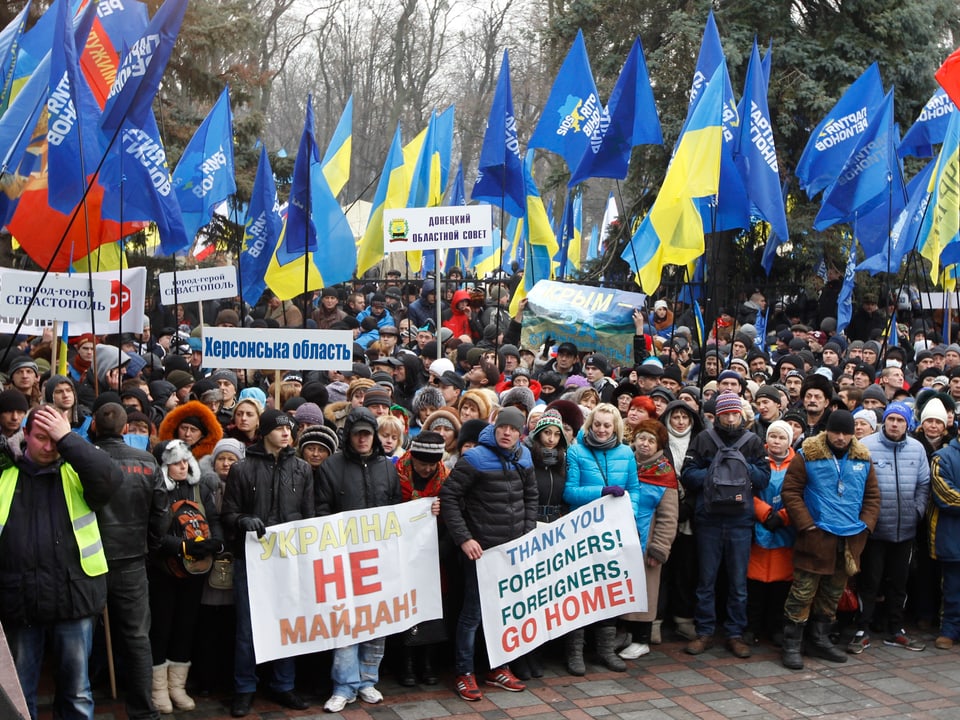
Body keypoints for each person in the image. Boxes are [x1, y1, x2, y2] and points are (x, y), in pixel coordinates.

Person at [0, 406, 121, 720]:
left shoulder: (75, 470)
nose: (49, 446)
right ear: (24, 436)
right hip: (19, 601)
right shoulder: (5, 474)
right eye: (41, 438)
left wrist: (68, 437)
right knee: (18, 696)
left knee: (77, 693)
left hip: (73, 600)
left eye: (55, 439)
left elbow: (110, 477)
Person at [440, 407, 537, 701]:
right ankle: (464, 673)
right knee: (472, 614)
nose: (507, 433)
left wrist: (527, 532)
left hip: (511, 552)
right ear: (495, 429)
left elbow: (530, 495)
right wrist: (464, 539)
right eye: (502, 427)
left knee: (504, 613)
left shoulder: (525, 457)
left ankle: (498, 667)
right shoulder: (475, 459)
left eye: (513, 429)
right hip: (481, 553)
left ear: (521, 434)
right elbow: (449, 497)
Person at [221, 409, 314, 717]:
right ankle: (244, 688)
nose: (287, 433)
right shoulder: (242, 469)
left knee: (288, 625)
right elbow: (228, 513)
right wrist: (243, 519)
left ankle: (283, 684)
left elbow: (309, 516)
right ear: (265, 433)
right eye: (280, 428)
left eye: (289, 428)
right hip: (252, 560)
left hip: (288, 560)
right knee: (248, 628)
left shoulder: (302, 469)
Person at [780, 410, 881, 670]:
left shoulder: (863, 458)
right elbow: (791, 491)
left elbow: (872, 497)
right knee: (802, 592)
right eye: (836, 432)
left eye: (846, 433)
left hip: (848, 539)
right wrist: (806, 525)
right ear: (827, 431)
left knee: (833, 593)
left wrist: (866, 526)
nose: (840, 437)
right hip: (815, 537)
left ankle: (820, 640)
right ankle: (791, 644)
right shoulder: (807, 455)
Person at [316, 407, 402, 713]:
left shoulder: (387, 467)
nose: (363, 439)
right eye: (357, 434)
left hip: (378, 560)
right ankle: (343, 685)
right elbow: (322, 510)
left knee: (376, 620)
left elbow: (396, 508)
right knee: (345, 622)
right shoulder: (331, 467)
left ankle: (368, 679)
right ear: (349, 436)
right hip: (344, 559)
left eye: (367, 434)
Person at [681, 391, 770, 659]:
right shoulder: (704, 438)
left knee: (738, 582)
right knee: (706, 579)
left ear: (741, 415)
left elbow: (764, 477)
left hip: (740, 520)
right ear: (717, 415)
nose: (730, 418)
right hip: (708, 518)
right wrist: (714, 474)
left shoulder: (753, 441)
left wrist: (741, 468)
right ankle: (705, 631)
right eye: (725, 414)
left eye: (735, 413)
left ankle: (735, 633)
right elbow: (687, 473)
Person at [91, 403, 165, 720]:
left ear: (94, 426)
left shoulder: (84, 459)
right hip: (132, 560)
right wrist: (151, 545)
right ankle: (143, 711)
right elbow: (161, 515)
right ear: (125, 429)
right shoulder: (147, 461)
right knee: (137, 636)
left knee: (81, 633)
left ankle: (81, 702)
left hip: (90, 558)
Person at [564, 403, 640, 674]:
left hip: (612, 534)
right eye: (598, 424)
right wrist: (602, 492)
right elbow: (570, 492)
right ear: (590, 425)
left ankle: (606, 650)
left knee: (608, 592)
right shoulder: (576, 451)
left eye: (607, 425)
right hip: (583, 533)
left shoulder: (626, 453)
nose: (602, 429)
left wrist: (626, 514)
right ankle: (575, 653)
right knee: (581, 592)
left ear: (615, 427)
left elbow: (634, 489)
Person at [853, 402, 930, 652]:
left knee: (900, 582)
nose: (895, 424)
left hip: (905, 530)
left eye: (900, 420)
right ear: (883, 421)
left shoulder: (917, 449)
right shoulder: (867, 446)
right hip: (875, 530)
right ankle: (862, 628)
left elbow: (923, 484)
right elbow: (858, 485)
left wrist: (917, 511)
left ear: (908, 424)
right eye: (891, 419)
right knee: (870, 581)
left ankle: (896, 629)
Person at [619, 419, 679, 660]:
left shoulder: (664, 473)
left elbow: (668, 516)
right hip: (621, 541)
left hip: (647, 544)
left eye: (651, 440)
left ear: (659, 445)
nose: (644, 443)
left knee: (645, 592)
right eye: (641, 438)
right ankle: (622, 634)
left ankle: (641, 638)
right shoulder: (625, 463)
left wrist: (660, 548)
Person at [394, 431, 448, 686]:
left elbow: (456, 512)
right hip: (402, 554)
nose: (427, 469)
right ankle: (404, 663)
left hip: (432, 555)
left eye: (431, 464)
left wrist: (442, 511)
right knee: (405, 607)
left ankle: (427, 662)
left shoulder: (445, 478)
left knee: (430, 609)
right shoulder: (396, 474)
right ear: (411, 458)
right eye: (422, 463)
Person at [746, 421, 797, 647]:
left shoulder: (798, 464)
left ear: (790, 441)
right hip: (760, 525)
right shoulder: (756, 460)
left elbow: (802, 494)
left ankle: (776, 627)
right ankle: (752, 627)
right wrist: (764, 513)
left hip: (785, 530)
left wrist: (784, 516)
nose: (776, 441)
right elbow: (746, 490)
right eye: (773, 436)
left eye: (781, 437)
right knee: (755, 585)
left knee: (780, 586)